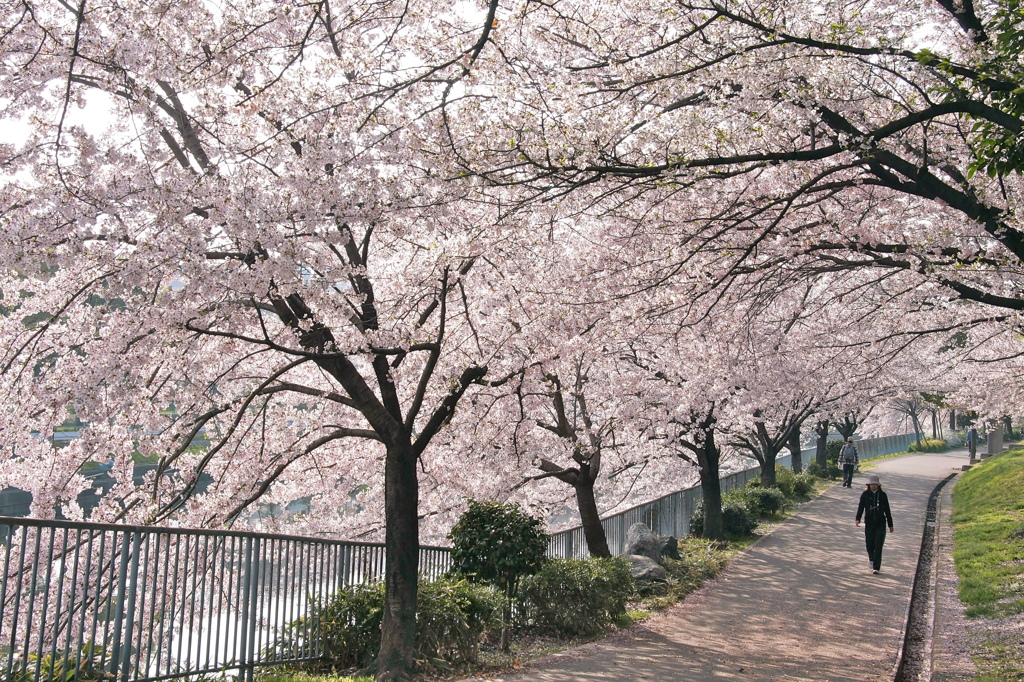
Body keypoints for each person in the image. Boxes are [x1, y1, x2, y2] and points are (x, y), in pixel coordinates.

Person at [856, 474, 894, 574]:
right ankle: (871, 558)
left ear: (878, 485)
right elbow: (861, 507)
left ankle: (876, 567)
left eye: (875, 485)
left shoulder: (882, 495)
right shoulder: (865, 494)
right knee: (869, 543)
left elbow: (887, 510)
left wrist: (890, 524)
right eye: (872, 484)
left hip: (880, 523)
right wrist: (857, 518)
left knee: (878, 544)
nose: (873, 486)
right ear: (869, 485)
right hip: (869, 522)